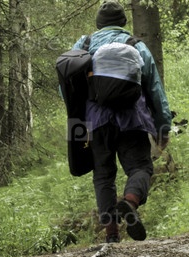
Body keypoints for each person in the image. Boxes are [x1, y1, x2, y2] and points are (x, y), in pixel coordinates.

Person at [71, 1, 172, 243]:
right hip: (132, 120)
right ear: (123, 22)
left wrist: (78, 120)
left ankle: (111, 234)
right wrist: (163, 126)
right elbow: (154, 88)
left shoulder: (83, 46)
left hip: (96, 121)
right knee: (141, 168)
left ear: (98, 23)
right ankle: (129, 202)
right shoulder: (136, 45)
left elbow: (67, 85)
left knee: (103, 175)